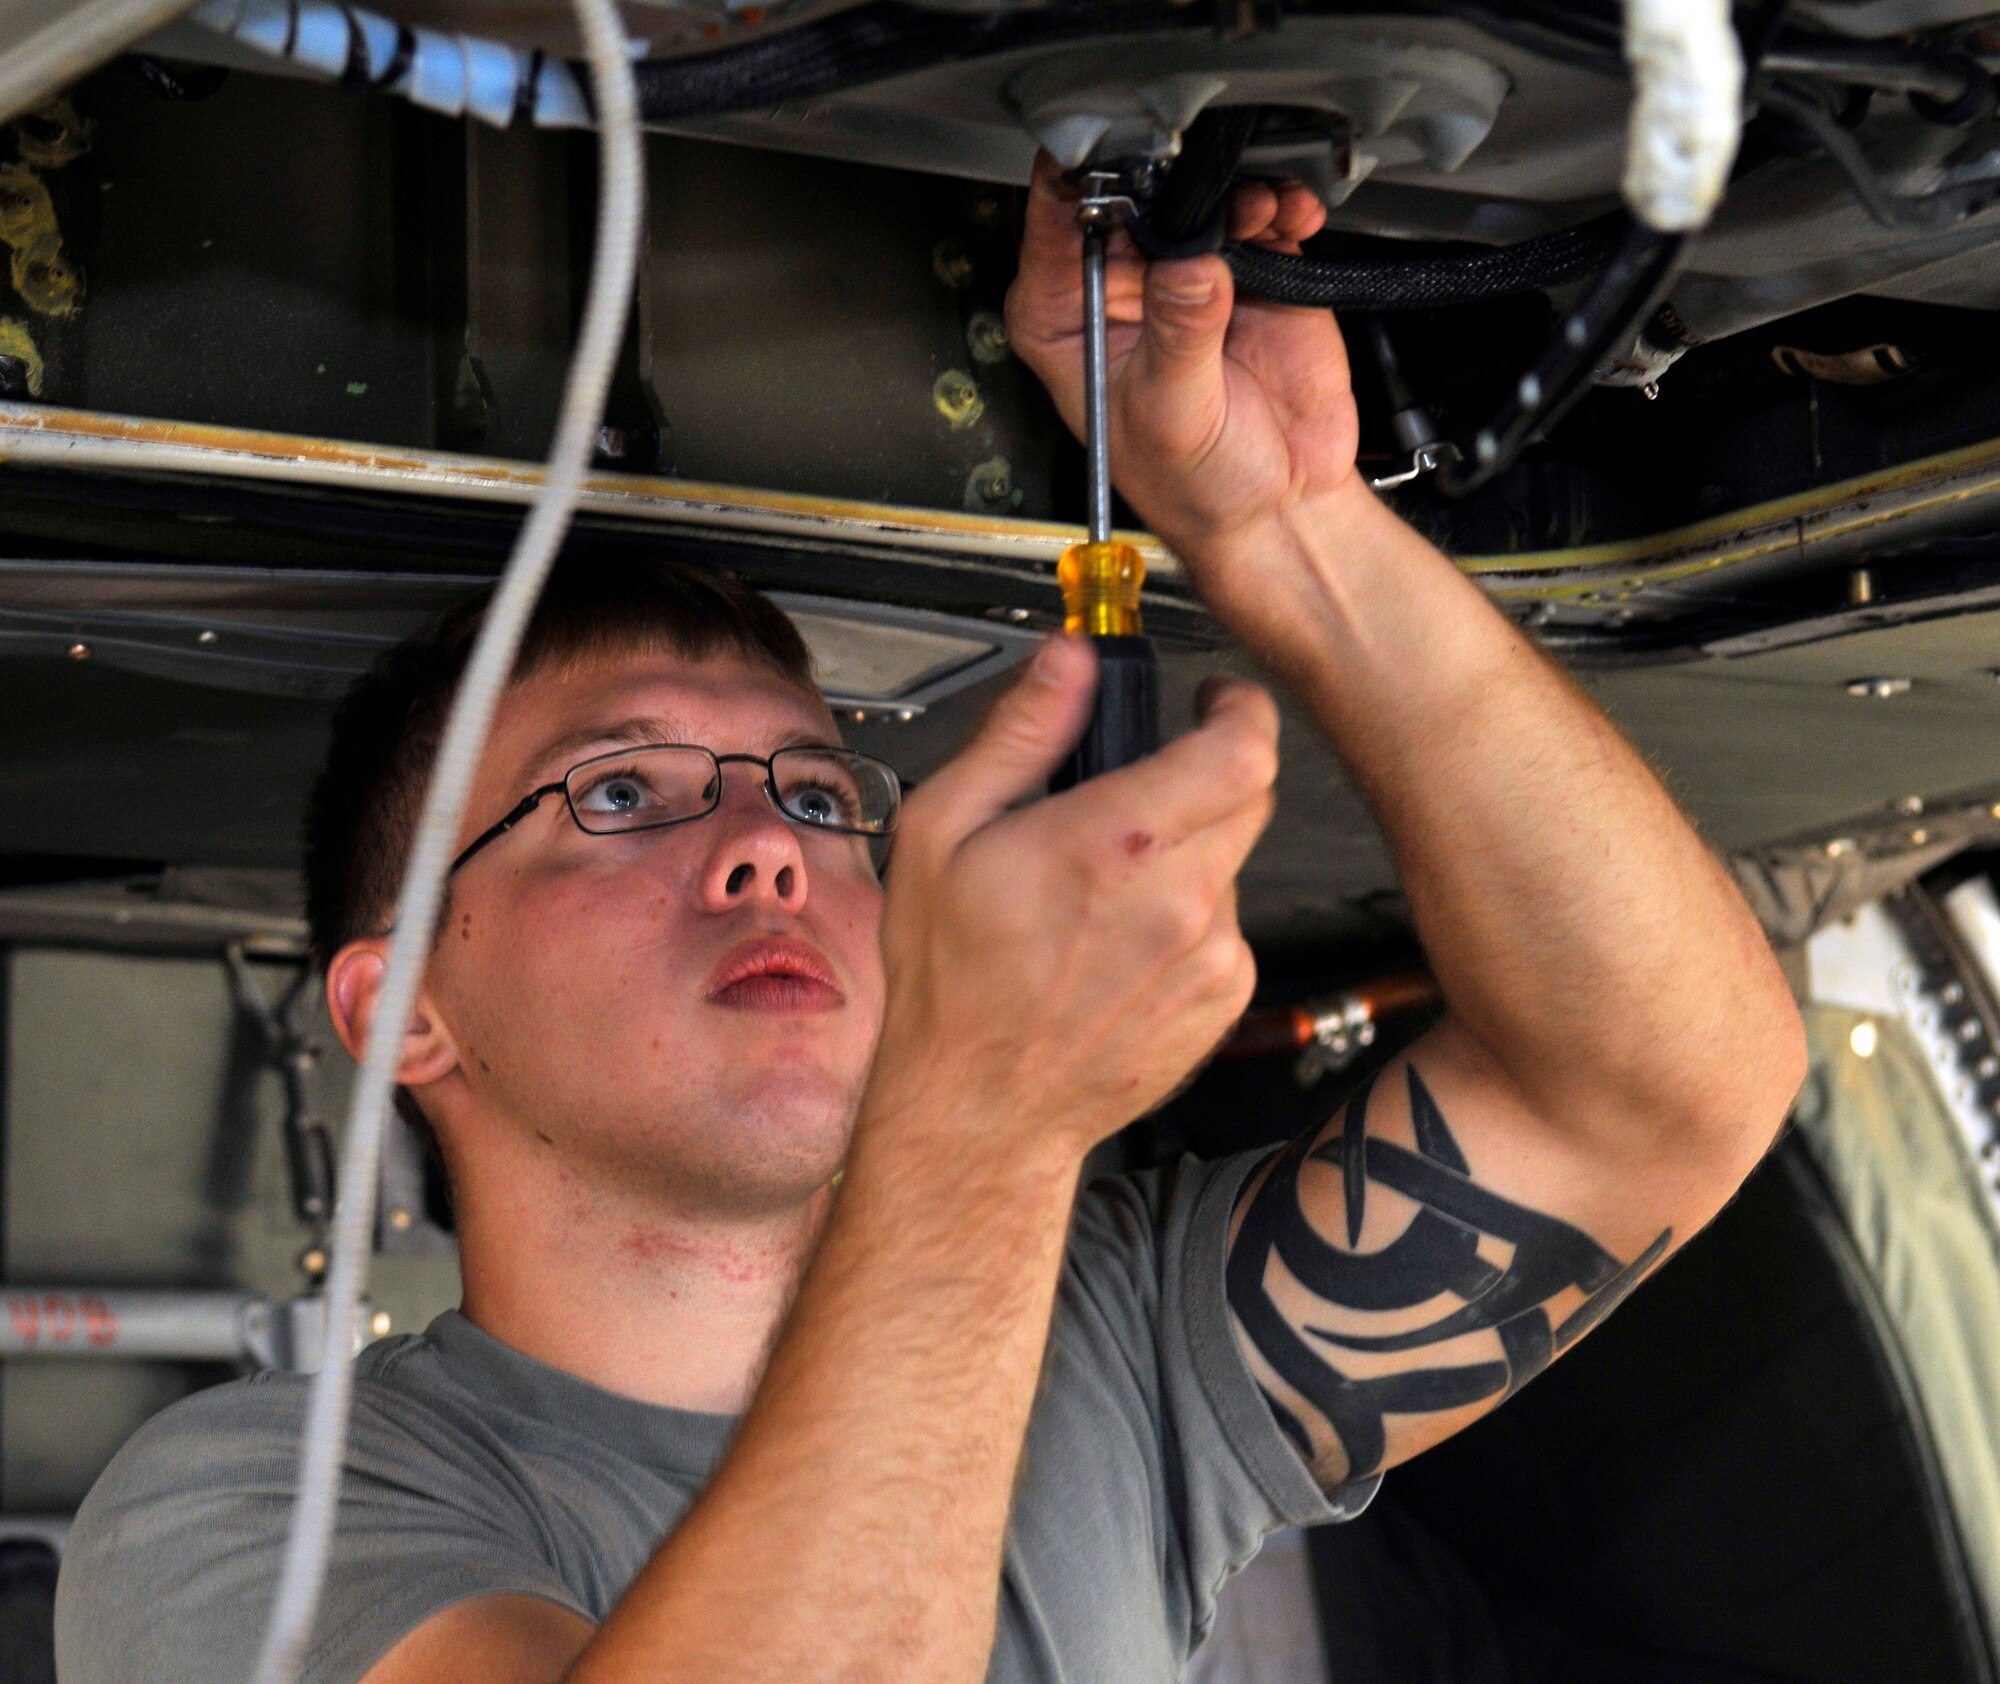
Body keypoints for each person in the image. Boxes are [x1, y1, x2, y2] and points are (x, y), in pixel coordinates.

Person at [55, 155, 1805, 1684]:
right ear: (399, 1012)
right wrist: (977, 1127)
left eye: (816, 793)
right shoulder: (250, 1516)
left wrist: (1284, 524)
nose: (766, 849)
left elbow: (1667, 1085)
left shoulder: (1103, 1344)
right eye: (618, 794)